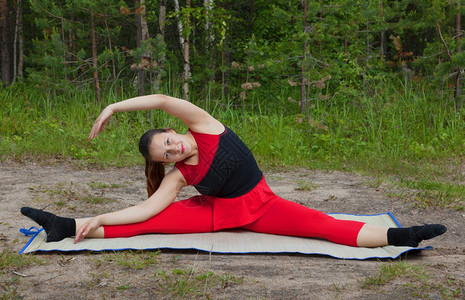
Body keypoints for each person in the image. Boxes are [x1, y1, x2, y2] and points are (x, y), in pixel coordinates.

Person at [21, 94, 447, 248]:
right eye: (165, 154)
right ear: (165, 162)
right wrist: (97, 218)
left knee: (325, 225)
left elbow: (164, 99)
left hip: (261, 204)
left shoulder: (204, 126)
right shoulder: (178, 177)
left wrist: (113, 106)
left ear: (174, 131)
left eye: (168, 141)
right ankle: (64, 227)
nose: (172, 149)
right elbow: (144, 212)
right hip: (215, 211)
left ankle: (401, 236)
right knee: (148, 226)